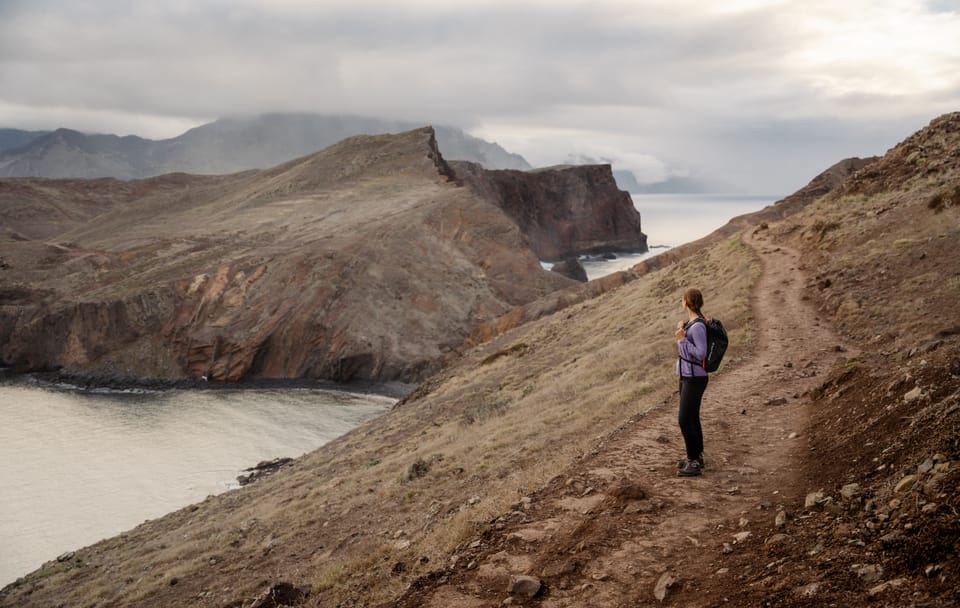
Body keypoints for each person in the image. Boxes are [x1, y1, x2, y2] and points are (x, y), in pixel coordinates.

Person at [675, 288, 709, 477]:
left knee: (684, 419)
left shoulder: (697, 326)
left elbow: (701, 353)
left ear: (686, 303)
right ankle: (696, 457)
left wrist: (682, 340)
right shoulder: (693, 323)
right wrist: (683, 329)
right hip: (688, 376)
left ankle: (693, 462)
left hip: (695, 378)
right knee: (692, 417)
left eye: (682, 300)